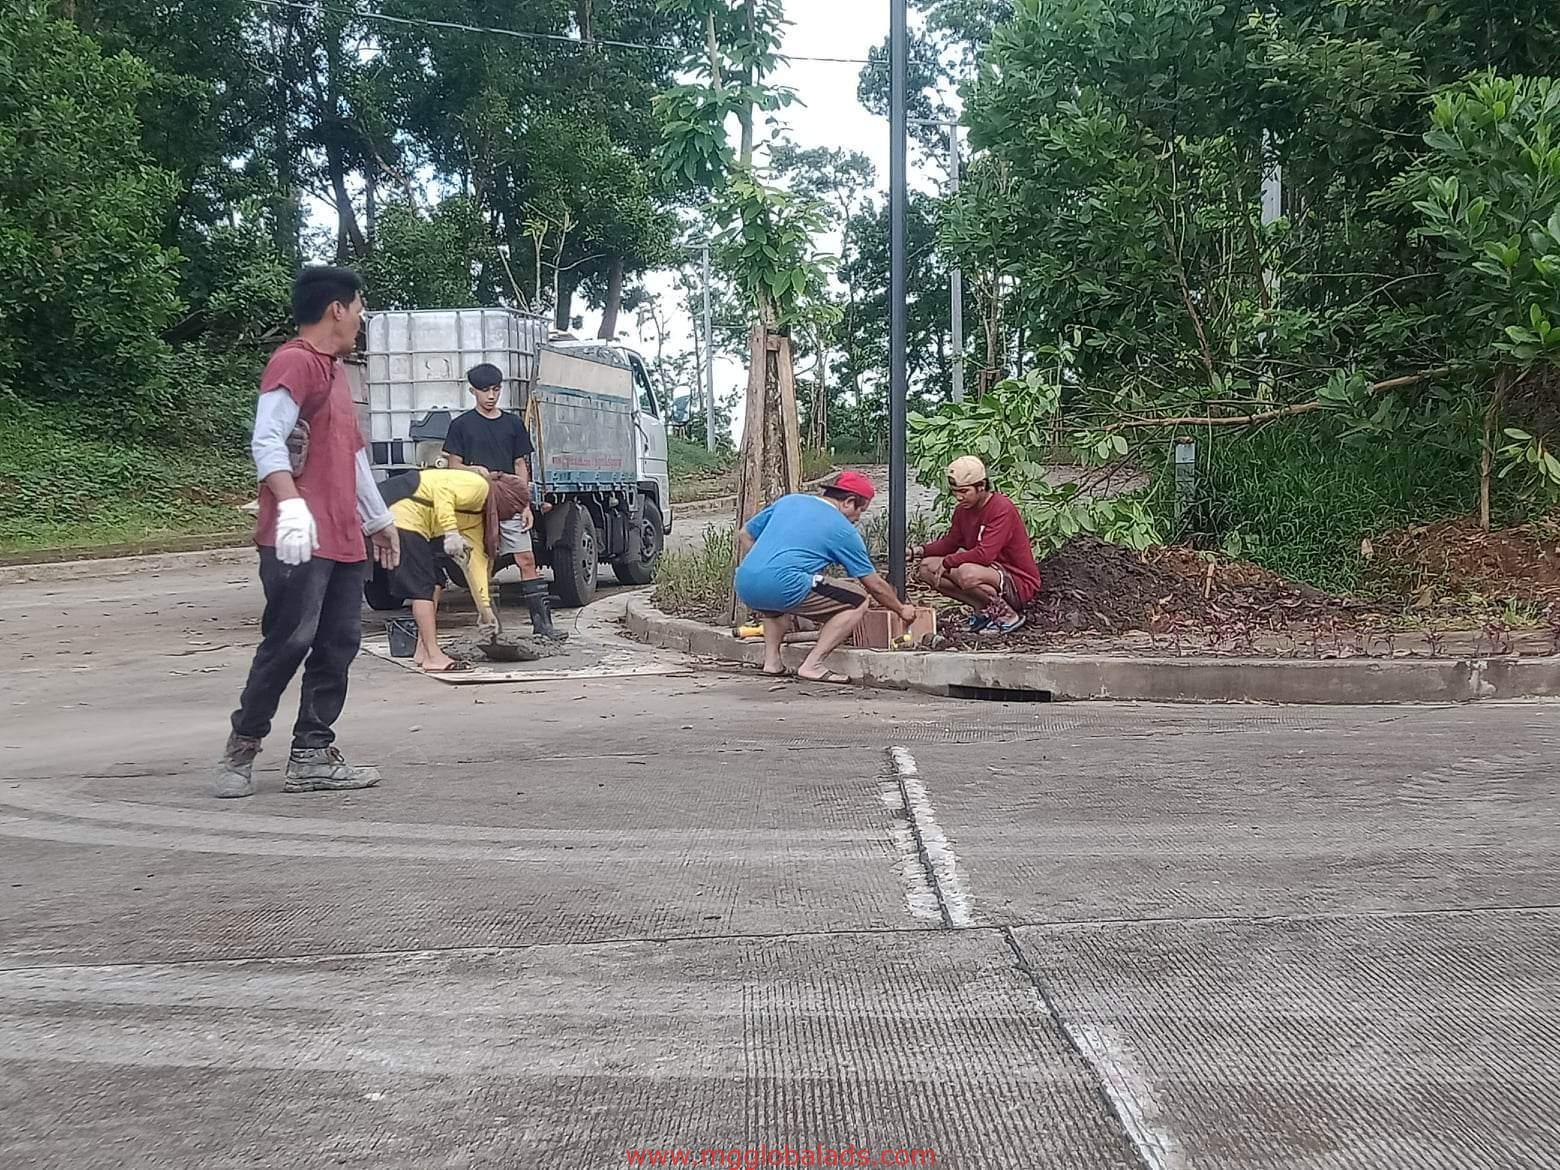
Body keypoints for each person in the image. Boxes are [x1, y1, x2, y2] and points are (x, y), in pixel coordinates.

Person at [218, 266, 401, 800]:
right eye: (360, 308)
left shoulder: (336, 372)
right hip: (296, 537)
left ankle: (312, 755)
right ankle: (241, 750)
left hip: (343, 536)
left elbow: (353, 456)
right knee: (288, 641)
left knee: (339, 643)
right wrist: (292, 506)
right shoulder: (293, 362)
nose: (362, 319)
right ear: (337, 309)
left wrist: (379, 520)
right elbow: (267, 441)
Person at [735, 471, 916, 684]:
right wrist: (901, 609)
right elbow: (873, 584)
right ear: (849, 502)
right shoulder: (842, 530)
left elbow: (745, 534)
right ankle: (813, 665)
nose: (858, 519)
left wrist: (765, 568)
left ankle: (772, 662)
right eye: (861, 511)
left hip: (745, 581)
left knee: (775, 608)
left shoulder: (791, 501)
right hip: (784, 583)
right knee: (858, 600)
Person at [442, 363, 556, 638]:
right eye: (485, 390)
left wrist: (526, 504)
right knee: (481, 563)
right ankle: (489, 625)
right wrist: (475, 470)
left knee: (526, 558)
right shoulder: (461, 425)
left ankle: (543, 626)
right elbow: (452, 467)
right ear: (473, 391)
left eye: (495, 389)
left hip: (508, 499)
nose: (491, 396)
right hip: (474, 501)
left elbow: (520, 465)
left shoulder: (513, 424)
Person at [383, 467, 533, 672]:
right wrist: (451, 531)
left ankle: (423, 650)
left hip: (420, 523)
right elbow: (443, 492)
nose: (509, 517)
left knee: (436, 581)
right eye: (512, 512)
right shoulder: (478, 486)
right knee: (423, 587)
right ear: (506, 501)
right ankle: (433, 657)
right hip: (400, 508)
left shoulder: (478, 516)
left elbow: (477, 563)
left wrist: (485, 609)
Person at [910, 455, 1041, 635]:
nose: (958, 497)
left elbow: (985, 554)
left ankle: (1007, 615)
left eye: (964, 491)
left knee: (966, 573)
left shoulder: (1001, 508)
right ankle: (983, 610)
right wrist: (917, 551)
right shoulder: (963, 511)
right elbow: (951, 542)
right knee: (926, 568)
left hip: (1017, 581)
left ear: (981, 486)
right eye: (955, 491)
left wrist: (948, 562)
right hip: (988, 572)